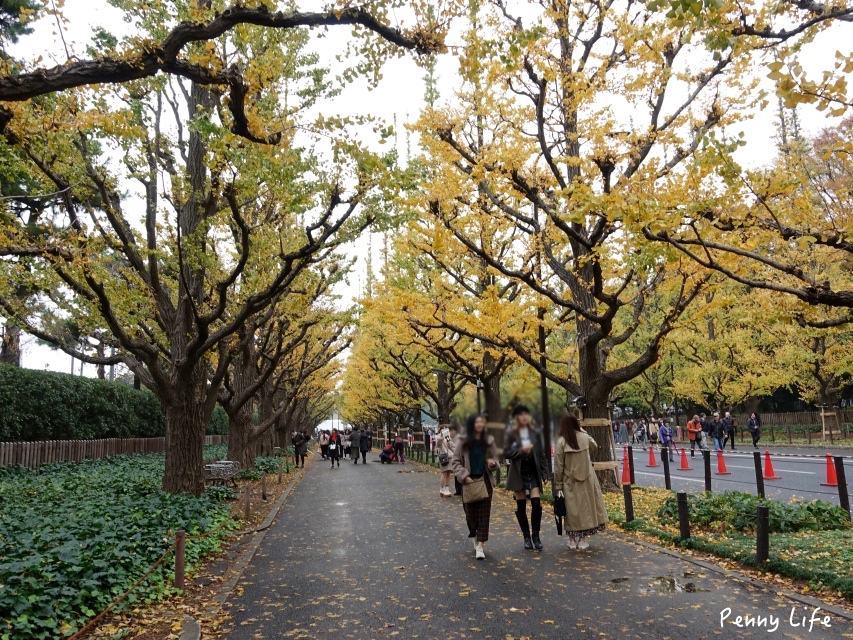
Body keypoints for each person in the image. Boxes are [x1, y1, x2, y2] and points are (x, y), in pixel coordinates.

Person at [553, 413, 607, 550]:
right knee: (586, 509)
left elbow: (558, 466)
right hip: (587, 479)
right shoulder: (584, 438)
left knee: (571, 510)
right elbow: (594, 446)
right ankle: (583, 540)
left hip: (569, 480)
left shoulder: (561, 441)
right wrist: (584, 432)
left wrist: (558, 484)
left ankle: (571, 540)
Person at [451, 413, 499, 560]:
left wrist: (493, 464)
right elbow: (455, 462)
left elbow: (496, 459)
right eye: (477, 422)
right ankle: (475, 535)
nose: (480, 424)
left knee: (484, 516)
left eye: (482, 422)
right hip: (469, 482)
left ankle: (480, 546)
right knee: (470, 515)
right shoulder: (463, 442)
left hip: (484, 481)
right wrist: (464, 476)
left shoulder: (489, 441)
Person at [505, 405, 550, 551]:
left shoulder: (535, 433)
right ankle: (526, 536)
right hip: (518, 472)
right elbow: (506, 453)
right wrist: (520, 451)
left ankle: (536, 536)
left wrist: (545, 474)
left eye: (526, 414)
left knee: (536, 502)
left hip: (533, 471)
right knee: (521, 505)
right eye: (521, 415)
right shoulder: (512, 433)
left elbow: (542, 454)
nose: (524, 417)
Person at [436, 424, 457, 497]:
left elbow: (451, 446)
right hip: (443, 457)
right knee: (444, 473)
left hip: (450, 457)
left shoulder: (448, 437)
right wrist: (441, 436)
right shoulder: (438, 437)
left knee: (448, 473)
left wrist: (456, 451)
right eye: (443, 429)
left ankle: (447, 488)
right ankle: (442, 489)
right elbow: (438, 445)